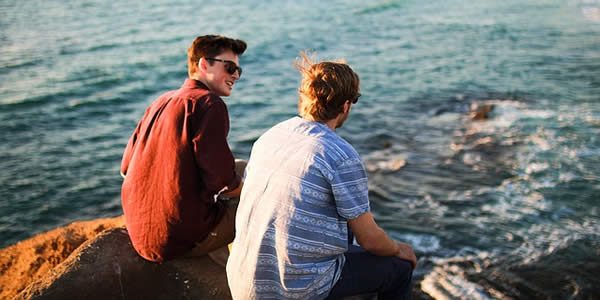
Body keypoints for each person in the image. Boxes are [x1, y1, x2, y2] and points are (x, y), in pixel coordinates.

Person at [226, 53, 417, 299]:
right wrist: (398, 249)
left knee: (344, 224)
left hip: (242, 280)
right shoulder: (340, 154)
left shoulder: (271, 135)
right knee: (399, 270)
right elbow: (370, 239)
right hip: (290, 291)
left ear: (304, 97)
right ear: (346, 105)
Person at [120, 34, 247, 263]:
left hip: (140, 236)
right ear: (203, 64)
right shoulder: (209, 104)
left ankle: (217, 260)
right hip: (176, 239)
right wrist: (252, 192)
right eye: (229, 68)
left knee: (241, 167)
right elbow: (223, 183)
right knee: (262, 199)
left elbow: (126, 168)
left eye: (238, 70)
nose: (236, 76)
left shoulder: (161, 101)